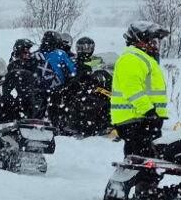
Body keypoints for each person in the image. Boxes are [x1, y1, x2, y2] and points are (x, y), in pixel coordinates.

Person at [109, 22, 170, 156]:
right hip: (136, 119)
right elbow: (132, 88)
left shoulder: (145, 59)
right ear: (141, 40)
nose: (155, 44)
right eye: (152, 40)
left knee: (147, 161)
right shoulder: (132, 58)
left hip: (144, 119)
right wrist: (148, 110)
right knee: (143, 161)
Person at [59, 36, 111, 137]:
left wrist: (103, 76)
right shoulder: (73, 61)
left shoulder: (98, 60)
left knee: (108, 99)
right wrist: (79, 77)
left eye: (87, 48)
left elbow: (106, 70)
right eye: (81, 48)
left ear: (92, 48)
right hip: (77, 89)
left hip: (96, 88)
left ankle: (108, 123)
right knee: (82, 101)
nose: (84, 50)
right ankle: (73, 125)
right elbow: (69, 76)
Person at [4, 38, 55, 119]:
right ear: (18, 51)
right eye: (25, 51)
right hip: (19, 93)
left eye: (28, 51)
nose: (28, 53)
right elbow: (10, 81)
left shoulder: (32, 62)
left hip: (33, 91)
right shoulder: (14, 64)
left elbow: (40, 75)